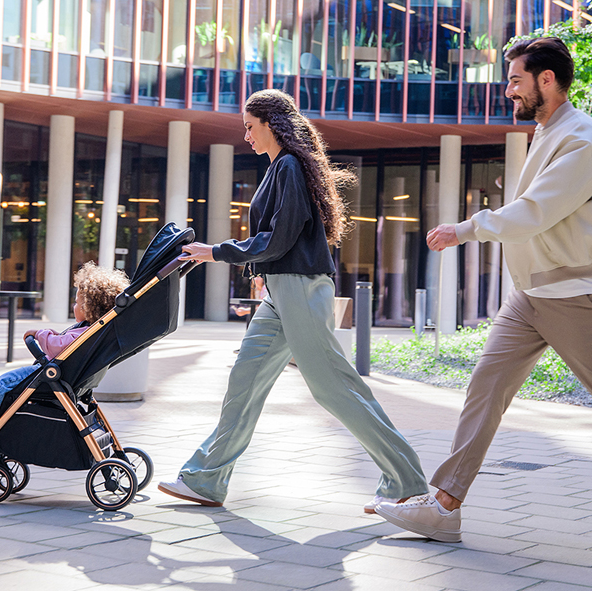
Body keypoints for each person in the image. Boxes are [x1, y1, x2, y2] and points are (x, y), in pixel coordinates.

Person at [375, 37, 592, 554]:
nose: (508, 90)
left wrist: (467, 229)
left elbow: (536, 211)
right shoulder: (551, 134)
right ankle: (444, 507)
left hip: (573, 294)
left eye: (516, 79)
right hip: (533, 295)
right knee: (486, 386)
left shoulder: (581, 139)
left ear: (547, 80)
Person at [157, 89, 429, 512]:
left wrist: (218, 251)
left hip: (300, 290)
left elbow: (279, 239)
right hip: (281, 293)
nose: (246, 136)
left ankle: (406, 481)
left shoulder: (287, 166)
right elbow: (278, 243)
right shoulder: (280, 168)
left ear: (271, 123)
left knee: (334, 389)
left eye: (250, 127)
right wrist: (259, 274)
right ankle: (206, 479)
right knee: (244, 380)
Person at [0, 262, 129, 438]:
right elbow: (65, 343)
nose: (73, 307)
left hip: (52, 377)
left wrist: (40, 334)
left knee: (5, 382)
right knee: (8, 386)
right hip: (68, 378)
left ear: (89, 307)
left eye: (76, 303)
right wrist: (52, 334)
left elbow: (56, 346)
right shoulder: (93, 330)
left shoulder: (86, 331)